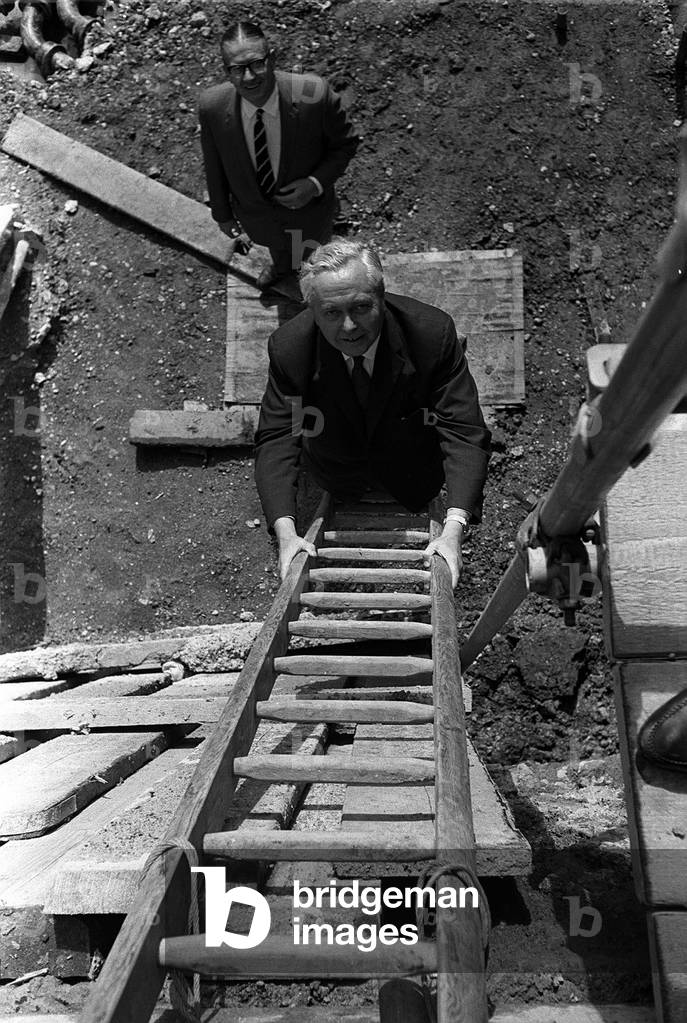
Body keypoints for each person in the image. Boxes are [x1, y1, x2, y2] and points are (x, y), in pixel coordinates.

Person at [254, 239, 492, 583]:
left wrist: (454, 529)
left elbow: (462, 429)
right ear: (313, 311)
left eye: (361, 307)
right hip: (337, 472)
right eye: (332, 313)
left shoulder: (431, 334)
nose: (349, 327)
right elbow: (278, 434)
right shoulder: (290, 348)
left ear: (382, 297)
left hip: (415, 476)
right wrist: (286, 533)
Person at [198, 20, 358, 291]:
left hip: (310, 215)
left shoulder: (314, 96)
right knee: (278, 247)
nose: (249, 77)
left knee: (313, 260)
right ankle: (282, 267)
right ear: (227, 72)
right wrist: (222, 215)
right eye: (237, 69)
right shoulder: (212, 106)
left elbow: (345, 144)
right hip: (257, 216)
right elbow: (214, 164)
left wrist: (314, 184)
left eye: (257, 64)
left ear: (272, 59)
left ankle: (312, 285)